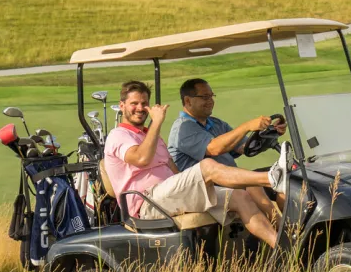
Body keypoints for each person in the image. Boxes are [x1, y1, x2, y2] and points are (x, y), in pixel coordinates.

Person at [104, 80, 288, 249]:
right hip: (147, 202)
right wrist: (157, 121)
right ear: (122, 106)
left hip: (168, 195)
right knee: (207, 165)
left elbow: (172, 169)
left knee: (241, 196)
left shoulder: (151, 136)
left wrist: (269, 133)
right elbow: (141, 159)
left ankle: (284, 248)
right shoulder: (118, 135)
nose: (140, 108)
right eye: (134, 103)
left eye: (144, 103)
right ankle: (272, 178)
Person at [168, 78, 286, 226]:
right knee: (253, 183)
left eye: (211, 96)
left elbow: (244, 147)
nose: (210, 101)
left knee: (287, 179)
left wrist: (270, 134)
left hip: (227, 181)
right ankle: (282, 227)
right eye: (205, 97)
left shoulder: (215, 123)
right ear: (188, 101)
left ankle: (296, 226)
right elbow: (214, 148)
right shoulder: (183, 128)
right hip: (203, 188)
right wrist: (247, 126)